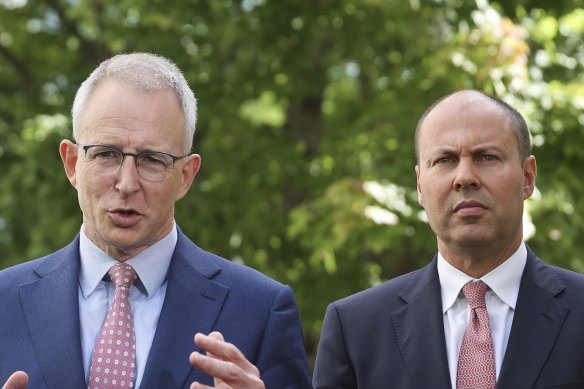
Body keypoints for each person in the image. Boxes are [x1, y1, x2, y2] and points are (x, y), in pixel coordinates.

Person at [0, 53, 311, 389]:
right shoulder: (4, 303)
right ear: (73, 163)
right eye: (106, 154)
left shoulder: (260, 310)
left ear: (187, 175)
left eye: (151, 160)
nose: (127, 183)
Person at [312, 89, 584, 388]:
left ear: (528, 177)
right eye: (445, 160)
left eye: (487, 157)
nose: (464, 176)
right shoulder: (355, 329)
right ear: (419, 186)